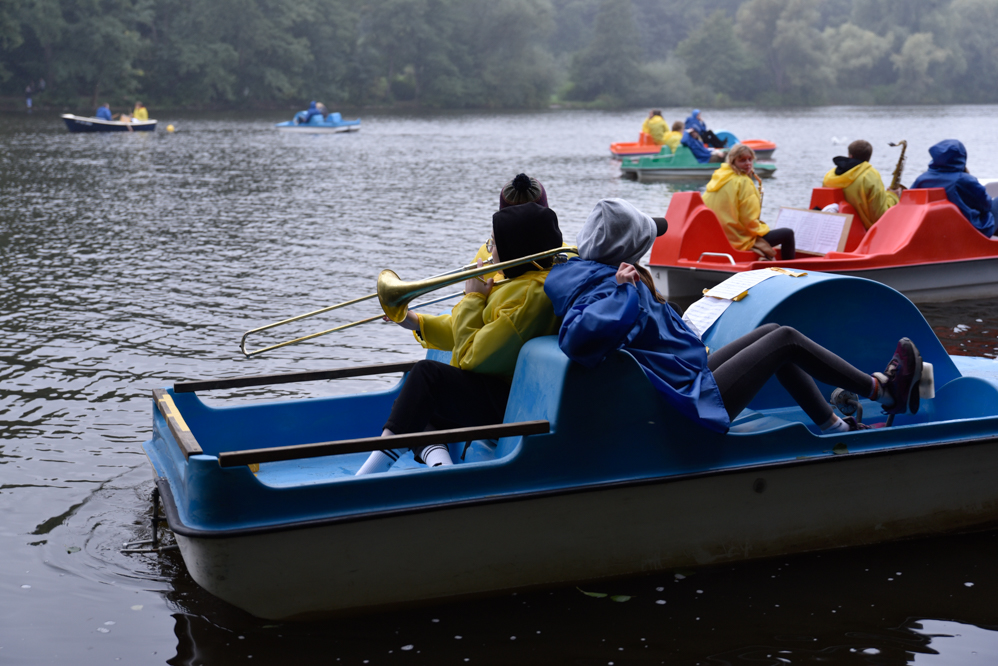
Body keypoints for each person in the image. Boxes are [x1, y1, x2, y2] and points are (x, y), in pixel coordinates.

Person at [542, 198, 925, 436]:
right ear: (631, 249)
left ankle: (836, 426)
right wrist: (625, 293)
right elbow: (580, 340)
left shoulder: (586, 269)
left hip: (686, 378)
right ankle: (882, 391)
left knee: (773, 333)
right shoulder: (613, 285)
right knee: (785, 339)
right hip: (688, 402)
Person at [355, 202, 564, 475]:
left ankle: (369, 474)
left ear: (515, 247)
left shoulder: (530, 297)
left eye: (494, 241)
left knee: (425, 377)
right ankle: (442, 468)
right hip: (498, 389)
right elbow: (465, 328)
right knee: (415, 401)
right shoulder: (517, 280)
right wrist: (414, 321)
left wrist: (473, 298)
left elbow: (470, 358)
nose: (489, 249)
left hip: (510, 402)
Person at [703, 143, 795, 260]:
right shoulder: (743, 182)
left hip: (718, 237)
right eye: (742, 160)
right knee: (787, 234)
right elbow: (749, 221)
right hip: (737, 239)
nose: (747, 163)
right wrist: (763, 229)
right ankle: (791, 271)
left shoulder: (718, 177)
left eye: (750, 159)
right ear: (733, 161)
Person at [911, 140, 997, 238]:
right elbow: (986, 204)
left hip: (934, 232)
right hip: (968, 232)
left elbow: (912, 204)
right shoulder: (963, 179)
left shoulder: (922, 179)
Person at [822, 140, 899, 230]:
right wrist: (893, 196)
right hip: (862, 234)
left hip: (833, 229)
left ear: (850, 155)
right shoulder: (870, 176)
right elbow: (880, 216)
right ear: (869, 157)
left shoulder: (830, 175)